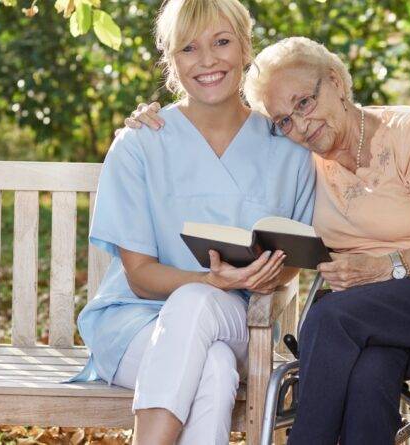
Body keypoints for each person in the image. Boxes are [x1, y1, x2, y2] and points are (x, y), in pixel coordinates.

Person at [126, 36, 410, 445]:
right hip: (377, 308)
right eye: (284, 121)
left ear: (336, 82)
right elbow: (223, 129)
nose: (300, 125)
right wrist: (158, 121)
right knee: (370, 372)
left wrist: (387, 267)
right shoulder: (304, 163)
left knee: (329, 317)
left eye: (304, 103)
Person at [70, 2, 315, 445]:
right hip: (133, 327)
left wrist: (258, 277)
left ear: (245, 47)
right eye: (188, 48)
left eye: (221, 42)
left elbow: (295, 255)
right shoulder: (140, 144)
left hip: (240, 319)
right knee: (215, 367)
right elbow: (141, 278)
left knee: (198, 309)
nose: (207, 61)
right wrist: (209, 280)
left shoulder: (290, 149)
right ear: (171, 59)